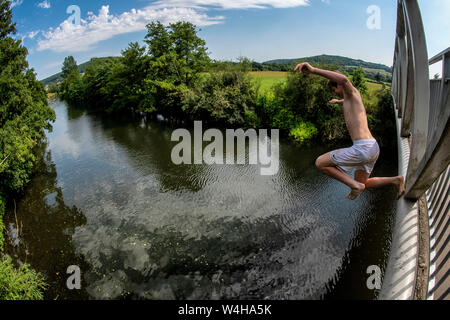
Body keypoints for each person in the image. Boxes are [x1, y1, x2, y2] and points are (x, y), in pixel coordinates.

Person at [294, 62, 405, 200]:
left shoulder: (349, 90)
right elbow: (348, 102)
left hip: (362, 148)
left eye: (334, 90)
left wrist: (313, 70)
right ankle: (396, 180)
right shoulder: (351, 97)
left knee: (320, 163)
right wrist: (338, 101)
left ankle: (354, 186)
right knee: (362, 183)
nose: (334, 92)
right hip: (373, 147)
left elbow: (344, 79)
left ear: (338, 85)